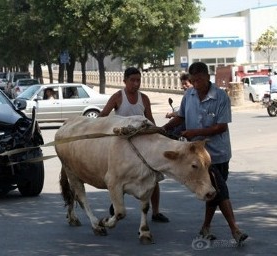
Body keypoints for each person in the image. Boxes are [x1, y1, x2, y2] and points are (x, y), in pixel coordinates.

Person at [162, 62, 248, 244]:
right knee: (220, 190)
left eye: (199, 80)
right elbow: (181, 118)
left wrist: (195, 132)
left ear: (207, 77)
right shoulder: (189, 95)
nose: (196, 84)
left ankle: (206, 227)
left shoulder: (220, 96)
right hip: (200, 157)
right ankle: (235, 229)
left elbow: (221, 126)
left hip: (219, 153)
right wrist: (165, 128)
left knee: (214, 192)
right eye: (193, 80)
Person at [99, 66, 169, 223]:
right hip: (122, 145)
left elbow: (150, 120)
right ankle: (116, 205)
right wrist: (92, 124)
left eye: (138, 80)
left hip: (143, 144)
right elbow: (104, 115)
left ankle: (156, 212)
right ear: (125, 81)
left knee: (154, 177)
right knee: (120, 178)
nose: (136, 83)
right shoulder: (117, 97)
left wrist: (159, 134)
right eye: (132, 80)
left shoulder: (144, 98)